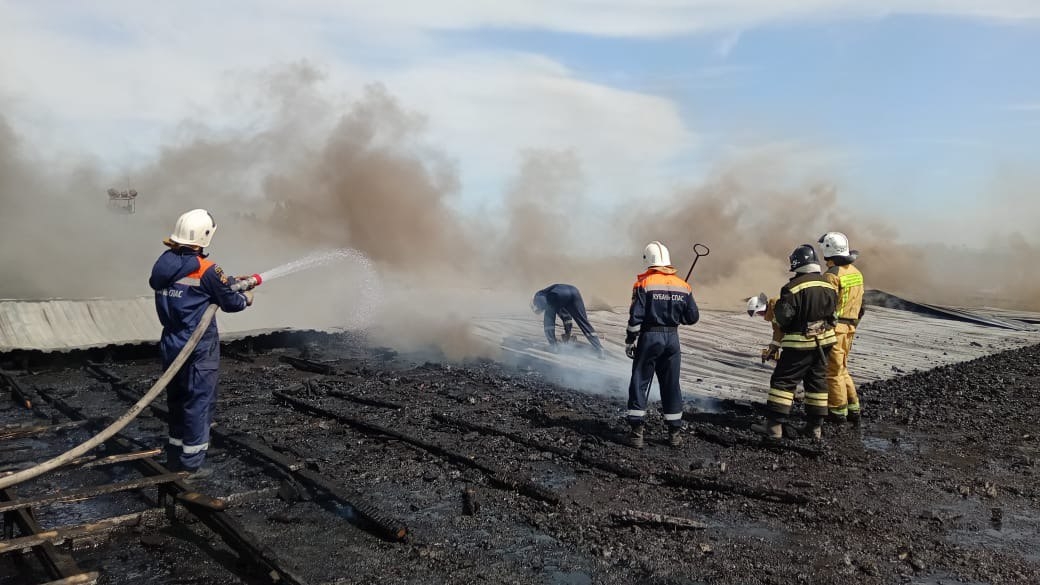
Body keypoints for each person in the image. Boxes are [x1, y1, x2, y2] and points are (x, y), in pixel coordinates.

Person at [149, 209, 254, 477]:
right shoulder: (208, 269)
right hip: (197, 345)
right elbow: (229, 302)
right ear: (204, 237)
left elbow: (199, 289)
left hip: (171, 341)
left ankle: (176, 454)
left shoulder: (164, 263)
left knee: (177, 399)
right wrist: (246, 299)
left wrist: (229, 282)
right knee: (198, 402)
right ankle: (191, 465)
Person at [751, 244, 837, 440]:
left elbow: (784, 318)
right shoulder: (829, 285)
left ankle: (773, 429)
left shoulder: (792, 288)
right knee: (816, 383)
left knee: (783, 381)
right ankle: (814, 429)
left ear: (796, 264)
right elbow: (834, 315)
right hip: (825, 343)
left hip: (799, 344)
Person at [624, 241, 699, 449]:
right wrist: (678, 315)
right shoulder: (683, 286)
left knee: (640, 381)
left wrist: (630, 340)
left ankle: (636, 433)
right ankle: (674, 434)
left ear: (648, 260)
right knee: (671, 384)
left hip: (650, 337)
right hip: (672, 340)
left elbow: (635, 317)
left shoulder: (644, 284)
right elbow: (692, 317)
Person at [818, 232, 866, 426]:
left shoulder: (832, 275)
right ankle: (853, 408)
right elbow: (861, 305)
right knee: (842, 369)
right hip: (850, 327)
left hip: (835, 329)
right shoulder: (855, 272)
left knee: (832, 372)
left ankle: (837, 412)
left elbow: (825, 305)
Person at [531, 284, 605, 356]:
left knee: (548, 320)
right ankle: (599, 349)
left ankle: (554, 347)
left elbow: (549, 319)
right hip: (574, 291)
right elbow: (567, 318)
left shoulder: (538, 296)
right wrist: (568, 333)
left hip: (559, 294)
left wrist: (552, 341)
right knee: (583, 322)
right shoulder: (555, 301)